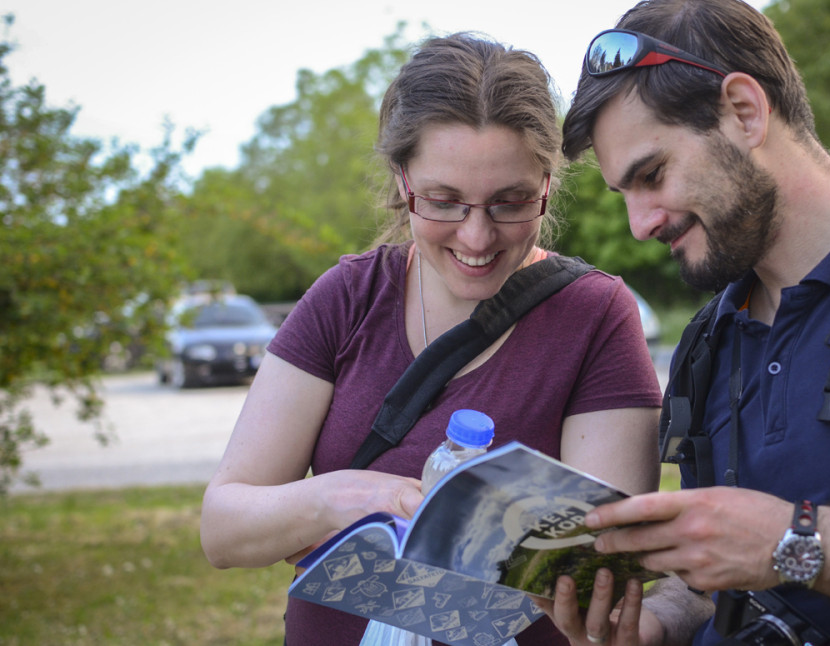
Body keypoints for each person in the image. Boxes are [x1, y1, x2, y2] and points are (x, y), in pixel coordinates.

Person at [538, 0, 830, 646]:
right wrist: (656, 625)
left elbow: (774, 549)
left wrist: (797, 543)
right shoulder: (706, 345)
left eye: (652, 175)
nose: (640, 225)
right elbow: (711, 589)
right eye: (623, 194)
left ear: (743, 111)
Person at [199, 32, 664, 646]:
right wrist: (349, 499)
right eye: (444, 202)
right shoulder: (347, 297)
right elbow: (223, 529)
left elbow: (601, 583)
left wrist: (454, 548)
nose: (476, 237)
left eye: (511, 202)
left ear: (547, 186)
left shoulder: (595, 316)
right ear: (403, 182)